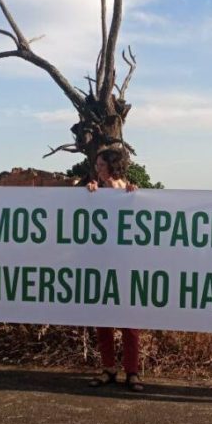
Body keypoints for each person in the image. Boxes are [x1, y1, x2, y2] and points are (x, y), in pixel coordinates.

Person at [85, 148, 143, 392]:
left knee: (130, 323)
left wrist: (135, 195)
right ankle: (108, 368)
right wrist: (90, 194)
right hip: (101, 264)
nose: (97, 169)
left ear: (113, 166)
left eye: (101, 165)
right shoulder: (94, 191)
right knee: (103, 320)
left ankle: (132, 371)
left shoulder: (131, 192)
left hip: (128, 265)